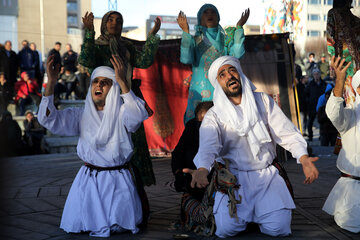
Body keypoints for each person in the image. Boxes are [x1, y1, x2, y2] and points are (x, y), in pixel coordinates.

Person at [184, 56, 319, 238]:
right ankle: (244, 217)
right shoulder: (214, 115)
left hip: (266, 176)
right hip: (233, 180)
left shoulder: (263, 101)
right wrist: (202, 169)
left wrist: (303, 158)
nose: (229, 76)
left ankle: (256, 215)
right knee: (226, 230)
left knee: (278, 229)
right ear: (218, 83)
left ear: (239, 73)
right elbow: (209, 147)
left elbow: (287, 133)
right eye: (222, 74)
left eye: (232, 70)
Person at [38, 54, 149, 237]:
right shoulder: (80, 115)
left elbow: (137, 116)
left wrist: (122, 83)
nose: (98, 85)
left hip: (118, 181)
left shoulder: (123, 113)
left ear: (113, 89)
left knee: (119, 226)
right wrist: (51, 82)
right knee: (84, 224)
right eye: (95, 82)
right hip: (88, 182)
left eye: (105, 82)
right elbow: (47, 119)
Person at [79, 10, 161, 186]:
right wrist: (89, 32)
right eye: (110, 19)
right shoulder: (97, 46)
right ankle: (106, 183)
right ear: (104, 24)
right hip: (104, 104)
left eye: (118, 20)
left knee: (134, 143)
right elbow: (85, 60)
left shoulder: (127, 47)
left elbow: (144, 61)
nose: (114, 23)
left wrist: (152, 36)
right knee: (109, 142)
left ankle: (136, 190)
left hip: (126, 99)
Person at [177, 4, 249, 123]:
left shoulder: (226, 39)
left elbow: (237, 55)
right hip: (199, 93)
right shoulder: (194, 40)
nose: (210, 14)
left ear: (218, 18)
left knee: (224, 126)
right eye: (206, 12)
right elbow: (186, 59)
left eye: (213, 12)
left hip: (222, 89)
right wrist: (185, 32)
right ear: (200, 18)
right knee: (197, 128)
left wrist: (239, 27)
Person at [322, 56, 360, 233]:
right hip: (353, 192)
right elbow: (334, 112)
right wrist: (340, 80)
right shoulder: (350, 116)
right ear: (358, 90)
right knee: (353, 225)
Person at [171, 101, 213, 229]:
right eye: (201, 121)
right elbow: (178, 153)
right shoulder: (192, 128)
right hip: (193, 183)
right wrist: (179, 174)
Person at [327, 0, 360, 107]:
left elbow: (330, 41)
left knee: (350, 99)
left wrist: (332, 68)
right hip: (352, 65)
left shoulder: (333, 14)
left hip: (345, 65)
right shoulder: (356, 21)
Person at [304, 68, 327, 141]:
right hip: (312, 106)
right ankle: (310, 136)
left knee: (322, 122)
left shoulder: (324, 84)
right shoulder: (310, 84)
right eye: (315, 74)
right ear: (313, 75)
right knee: (310, 122)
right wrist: (309, 101)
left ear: (320, 75)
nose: (316, 76)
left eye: (317, 74)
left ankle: (322, 136)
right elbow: (306, 94)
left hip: (322, 106)